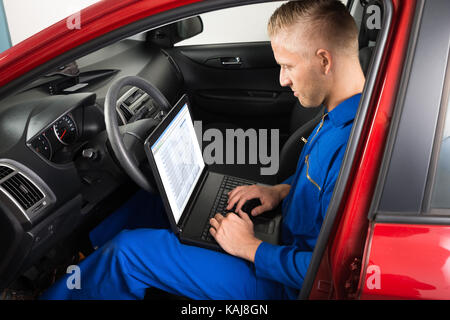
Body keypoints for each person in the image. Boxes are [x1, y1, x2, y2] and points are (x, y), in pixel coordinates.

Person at [41, 0, 365, 300]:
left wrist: (250, 248)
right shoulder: (343, 115)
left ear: (324, 60)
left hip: (283, 284)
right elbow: (318, 187)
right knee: (153, 201)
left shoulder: (355, 147)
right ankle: (86, 264)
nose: (282, 80)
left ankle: (76, 283)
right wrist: (280, 191)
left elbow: (331, 273)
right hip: (281, 240)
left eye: (288, 66)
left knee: (128, 253)